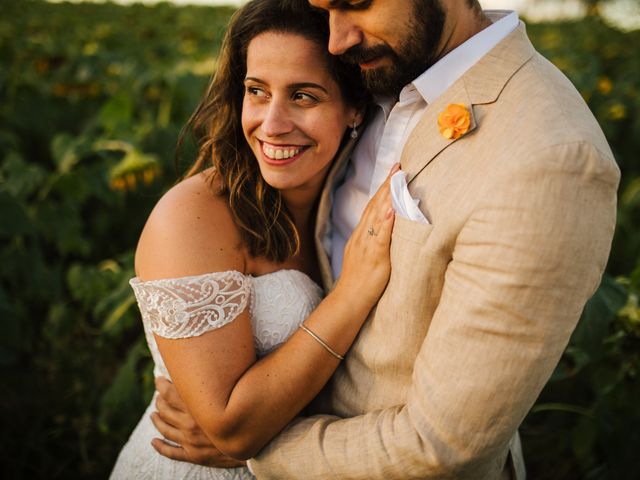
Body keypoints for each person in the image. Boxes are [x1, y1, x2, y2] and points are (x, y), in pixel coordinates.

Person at [154, 0, 620, 478]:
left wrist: (252, 444)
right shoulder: (381, 77)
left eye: (355, 3)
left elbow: (443, 445)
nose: (336, 41)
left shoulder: (551, 157)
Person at [109, 0, 397, 478]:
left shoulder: (355, 198)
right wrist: (352, 294)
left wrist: (274, 440)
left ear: (354, 109)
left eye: (303, 96)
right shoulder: (193, 216)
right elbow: (232, 429)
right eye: (257, 91)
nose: (272, 123)